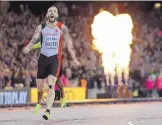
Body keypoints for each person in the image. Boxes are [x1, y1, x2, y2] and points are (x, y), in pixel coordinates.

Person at [23, 6, 80, 120]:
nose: (52, 13)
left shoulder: (62, 28)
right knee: (40, 87)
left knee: (53, 83)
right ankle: (39, 103)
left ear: (57, 15)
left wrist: (73, 58)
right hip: (43, 59)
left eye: (55, 11)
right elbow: (35, 40)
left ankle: (50, 108)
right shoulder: (41, 27)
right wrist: (28, 47)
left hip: (56, 59)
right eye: (50, 11)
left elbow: (69, 44)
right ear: (47, 15)